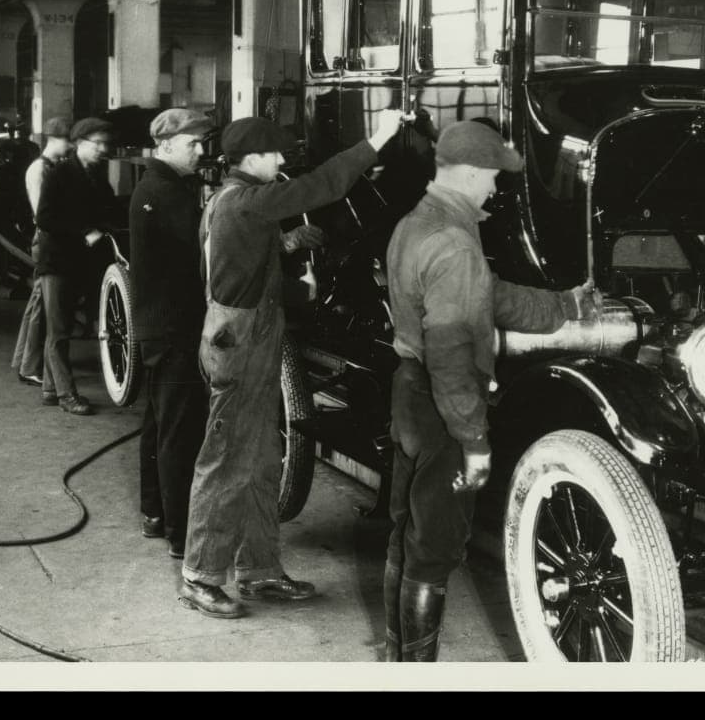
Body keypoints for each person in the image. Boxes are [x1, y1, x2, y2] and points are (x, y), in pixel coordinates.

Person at [382, 119, 603, 662]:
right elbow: (454, 357)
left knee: (407, 531)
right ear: (474, 172)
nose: (496, 189)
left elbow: (488, 295)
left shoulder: (419, 222)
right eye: (493, 178)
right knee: (434, 549)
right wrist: (474, 439)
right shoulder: (454, 242)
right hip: (443, 407)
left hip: (409, 393)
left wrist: (564, 306)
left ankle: (397, 656)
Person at [179, 108, 403, 619]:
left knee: (259, 464)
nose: (282, 161)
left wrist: (284, 244)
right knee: (227, 461)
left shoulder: (227, 202)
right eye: (276, 153)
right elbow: (322, 185)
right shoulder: (251, 202)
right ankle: (199, 576)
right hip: (243, 342)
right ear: (252, 158)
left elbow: (229, 260)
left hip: (237, 334)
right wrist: (379, 139)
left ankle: (258, 571)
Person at [130, 109, 213, 560]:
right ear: (165, 146)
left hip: (159, 324)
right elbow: (202, 252)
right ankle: (182, 535)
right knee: (180, 430)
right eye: (193, 144)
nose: (202, 152)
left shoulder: (161, 186)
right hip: (175, 327)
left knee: (159, 421)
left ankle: (154, 513)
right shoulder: (165, 192)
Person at [34, 117, 117, 416]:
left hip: (78, 263)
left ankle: (49, 389)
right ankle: (67, 395)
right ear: (80, 143)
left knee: (60, 327)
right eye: (98, 144)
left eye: (105, 144)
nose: (103, 149)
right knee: (59, 331)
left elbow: (106, 207)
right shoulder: (59, 174)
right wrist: (84, 231)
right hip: (56, 263)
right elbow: (44, 218)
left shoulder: (95, 175)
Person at [10, 116, 72, 387]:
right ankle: (30, 366)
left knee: (38, 302)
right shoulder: (40, 169)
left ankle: (24, 362)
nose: (71, 146)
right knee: (42, 307)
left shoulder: (50, 167)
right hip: (46, 240)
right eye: (69, 140)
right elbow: (42, 214)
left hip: (48, 239)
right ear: (56, 139)